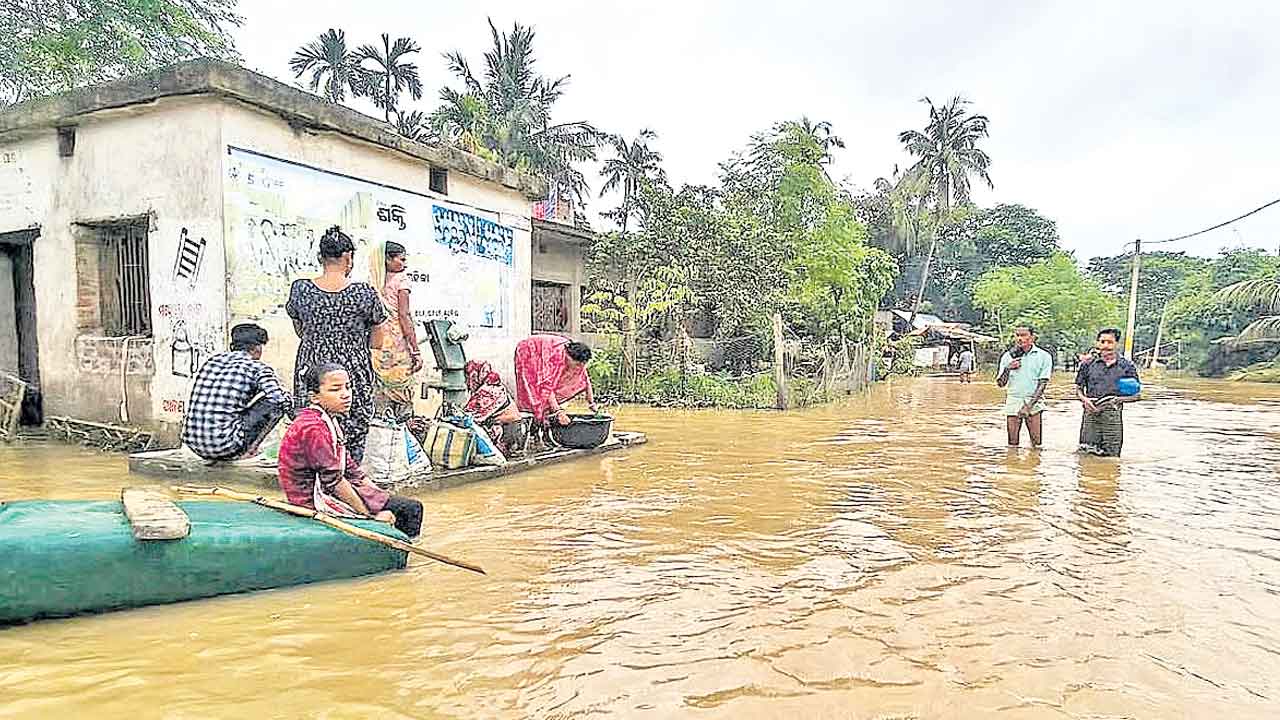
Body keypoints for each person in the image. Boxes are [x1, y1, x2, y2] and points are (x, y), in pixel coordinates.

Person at [278, 363, 423, 538]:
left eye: (348, 387)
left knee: (404, 507)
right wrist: (368, 517)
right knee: (409, 510)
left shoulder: (327, 421)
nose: (346, 395)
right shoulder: (313, 427)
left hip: (327, 489)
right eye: (335, 389)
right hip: (310, 501)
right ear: (314, 397)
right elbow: (334, 481)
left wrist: (379, 498)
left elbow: (353, 471)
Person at [287, 226, 386, 462]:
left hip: (312, 372)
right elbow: (378, 340)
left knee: (312, 429)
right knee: (352, 437)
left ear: (321, 257)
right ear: (348, 257)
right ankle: (346, 485)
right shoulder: (364, 293)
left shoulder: (301, 289)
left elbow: (300, 330)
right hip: (351, 374)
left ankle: (312, 488)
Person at [181, 323, 293, 462]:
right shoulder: (258, 368)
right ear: (257, 347)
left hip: (193, 444)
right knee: (276, 403)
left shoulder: (212, 361)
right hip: (225, 446)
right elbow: (278, 399)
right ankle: (250, 451)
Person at [369, 240, 424, 418]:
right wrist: (415, 350)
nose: (404, 264)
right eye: (401, 259)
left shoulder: (375, 281)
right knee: (402, 399)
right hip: (397, 346)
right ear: (387, 260)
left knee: (380, 396)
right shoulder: (401, 281)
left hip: (377, 346)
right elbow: (404, 316)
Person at [1076, 328, 1141, 457]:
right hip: (1090, 411)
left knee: (1112, 456)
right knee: (1086, 452)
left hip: (1112, 412)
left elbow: (1137, 395)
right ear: (1097, 343)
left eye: (1110, 342)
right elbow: (1078, 389)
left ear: (1117, 344)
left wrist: (1116, 400)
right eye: (1102, 342)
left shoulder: (1126, 366)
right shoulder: (1088, 365)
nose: (1105, 346)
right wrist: (1084, 400)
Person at [513, 335, 598, 430]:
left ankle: (547, 411)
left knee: (553, 386)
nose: (579, 367)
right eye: (577, 364)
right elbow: (546, 386)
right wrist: (559, 412)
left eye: (581, 365)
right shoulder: (555, 357)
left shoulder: (577, 358)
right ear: (569, 356)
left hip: (547, 349)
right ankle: (533, 420)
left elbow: (585, 380)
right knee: (533, 388)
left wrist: (592, 403)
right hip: (530, 350)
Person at [996, 326, 1053, 448]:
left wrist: (1029, 406)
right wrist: (1007, 369)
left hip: (1034, 401)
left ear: (1032, 337)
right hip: (1013, 400)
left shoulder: (1044, 356)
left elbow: (1043, 384)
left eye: (1023, 335)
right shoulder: (1007, 357)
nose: (1019, 338)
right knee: (1012, 445)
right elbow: (1000, 383)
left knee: (1037, 445)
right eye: (1017, 335)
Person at [464, 359, 523, 455]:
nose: (467, 381)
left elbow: (473, 417)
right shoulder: (492, 384)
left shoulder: (488, 391)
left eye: (469, 377)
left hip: (509, 432)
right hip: (514, 429)